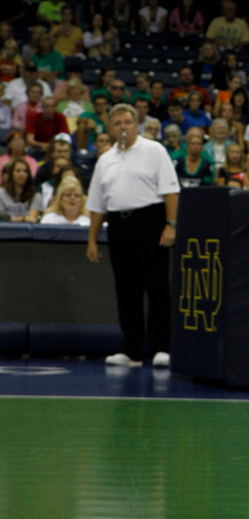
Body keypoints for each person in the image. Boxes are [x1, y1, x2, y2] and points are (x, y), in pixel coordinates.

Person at [86, 103, 180, 367]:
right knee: (126, 288)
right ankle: (130, 349)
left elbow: (171, 190)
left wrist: (170, 224)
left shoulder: (154, 150)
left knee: (157, 286)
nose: (123, 127)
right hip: (118, 224)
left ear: (136, 124)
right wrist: (92, 239)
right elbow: (96, 205)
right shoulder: (105, 159)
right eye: (117, 124)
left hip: (151, 220)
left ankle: (162, 347)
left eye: (127, 122)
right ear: (111, 128)